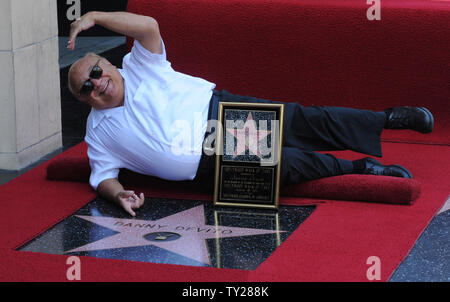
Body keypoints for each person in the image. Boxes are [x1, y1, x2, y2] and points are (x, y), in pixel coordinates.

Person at [67, 11, 434, 216]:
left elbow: (148, 26)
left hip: (222, 115)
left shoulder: (139, 65)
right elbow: (102, 176)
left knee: (306, 122)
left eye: (96, 72)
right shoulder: (98, 133)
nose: (95, 84)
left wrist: (96, 16)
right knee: (290, 164)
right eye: (86, 87)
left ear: (107, 63)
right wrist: (118, 196)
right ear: (84, 101)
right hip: (208, 164)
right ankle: (364, 169)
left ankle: (388, 120)